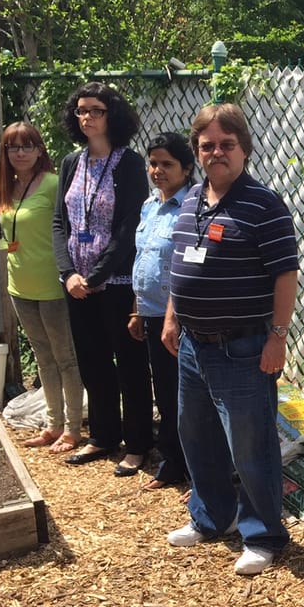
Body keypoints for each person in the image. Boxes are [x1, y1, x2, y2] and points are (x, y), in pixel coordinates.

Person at [162, 103, 298, 576]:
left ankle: (263, 535)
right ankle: (210, 517)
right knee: (195, 435)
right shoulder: (192, 198)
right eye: (207, 145)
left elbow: (286, 275)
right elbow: (182, 264)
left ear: (243, 149)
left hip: (241, 346)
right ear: (197, 151)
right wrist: (172, 317)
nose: (216, 152)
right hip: (193, 345)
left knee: (250, 443)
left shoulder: (263, 204)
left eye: (226, 144)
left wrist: (277, 337)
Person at [52, 81, 153, 474]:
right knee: (92, 361)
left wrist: (96, 274)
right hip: (77, 286)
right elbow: (59, 222)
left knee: (129, 364)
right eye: (81, 111)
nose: (87, 117)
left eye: (95, 110)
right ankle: (103, 435)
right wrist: (69, 274)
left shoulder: (129, 163)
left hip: (116, 283)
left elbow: (131, 226)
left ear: (112, 115)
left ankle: (138, 442)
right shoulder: (71, 163)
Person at [0, 122, 83, 455]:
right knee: (44, 360)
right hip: (20, 286)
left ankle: (73, 429)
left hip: (51, 286)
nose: (19, 153)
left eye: (27, 146)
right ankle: (52, 425)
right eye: (12, 147)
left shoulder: (52, 185)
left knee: (65, 360)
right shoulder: (8, 187)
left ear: (39, 150)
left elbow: (69, 233)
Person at [129, 132, 195, 490]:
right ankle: (173, 460)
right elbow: (143, 261)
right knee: (166, 393)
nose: (158, 170)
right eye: (153, 163)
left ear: (186, 168)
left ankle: (186, 463)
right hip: (151, 313)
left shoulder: (191, 207)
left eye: (166, 164)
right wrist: (136, 310)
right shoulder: (149, 206)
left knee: (184, 395)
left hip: (180, 318)